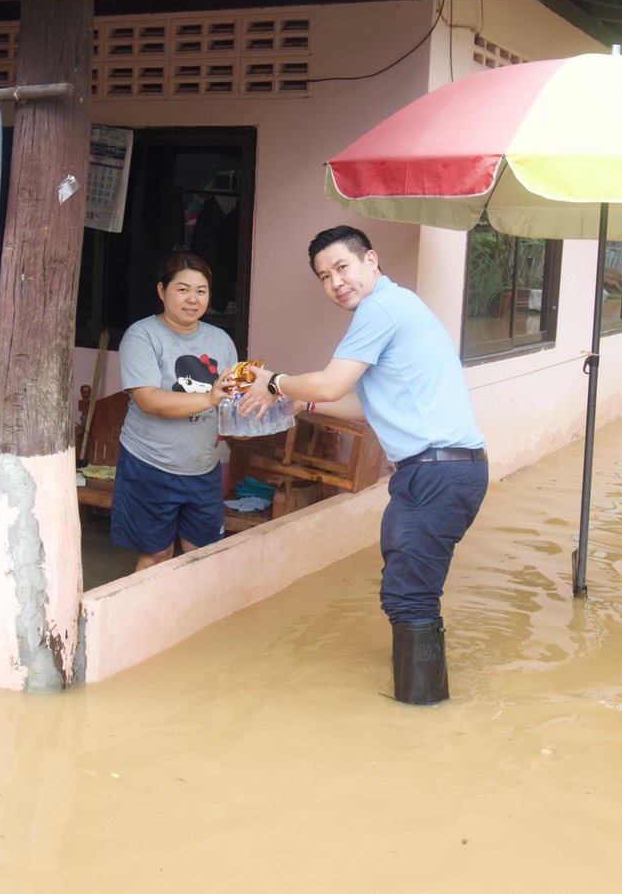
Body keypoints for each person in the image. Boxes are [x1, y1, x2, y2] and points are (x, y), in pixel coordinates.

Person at [241, 225, 487, 704]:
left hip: (435, 472)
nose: (336, 282)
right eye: (324, 276)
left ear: (370, 260)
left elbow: (332, 384)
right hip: (442, 470)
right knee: (408, 590)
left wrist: (275, 381)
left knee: (409, 596)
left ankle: (421, 715)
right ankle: (424, 709)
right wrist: (303, 404)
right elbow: (365, 404)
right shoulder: (397, 305)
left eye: (342, 267)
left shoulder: (381, 308)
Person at [113, 252, 240, 572]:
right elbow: (149, 400)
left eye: (201, 291)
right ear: (161, 291)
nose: (192, 299)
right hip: (150, 464)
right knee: (156, 556)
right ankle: (144, 621)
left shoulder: (221, 340)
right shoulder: (142, 335)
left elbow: (230, 398)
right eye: (182, 289)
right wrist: (211, 397)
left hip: (202, 467)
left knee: (205, 556)